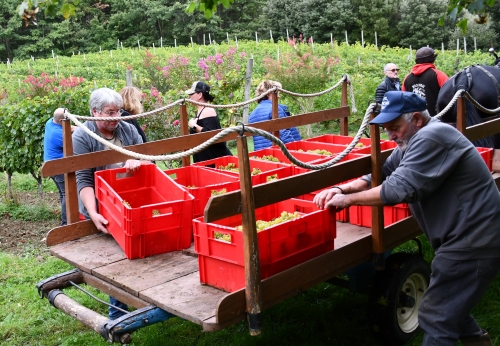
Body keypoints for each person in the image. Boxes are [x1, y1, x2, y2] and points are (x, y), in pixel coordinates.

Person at [313, 91, 500, 345]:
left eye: (395, 127)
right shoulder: (412, 143)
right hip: (466, 238)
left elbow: (397, 189)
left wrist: (347, 201)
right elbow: (380, 175)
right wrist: (341, 189)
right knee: (450, 302)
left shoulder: (433, 137)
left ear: (417, 119)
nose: (391, 135)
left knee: (436, 316)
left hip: (473, 241)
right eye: (387, 128)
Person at [72, 87, 145, 320]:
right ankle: (118, 315)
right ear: (94, 112)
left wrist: (136, 160)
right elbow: (83, 178)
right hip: (103, 206)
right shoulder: (83, 136)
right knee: (117, 259)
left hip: (129, 198)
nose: (116, 118)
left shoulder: (128, 129)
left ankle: (138, 299)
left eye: (118, 112)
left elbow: (145, 156)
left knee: (135, 251)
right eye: (110, 113)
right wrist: (93, 213)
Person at [43, 107, 76, 226]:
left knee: (63, 193)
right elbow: (75, 144)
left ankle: (66, 221)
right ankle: (66, 223)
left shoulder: (50, 122)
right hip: (58, 167)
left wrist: (79, 128)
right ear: (62, 121)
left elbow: (69, 128)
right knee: (67, 193)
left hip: (51, 165)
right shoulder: (58, 135)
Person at [186, 81, 232, 163]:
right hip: (207, 162)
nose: (189, 97)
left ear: (200, 95)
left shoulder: (208, 111)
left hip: (216, 163)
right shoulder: (201, 111)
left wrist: (194, 126)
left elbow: (211, 135)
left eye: (192, 94)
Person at [248, 80, 301, 151]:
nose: (278, 96)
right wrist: (296, 150)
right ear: (268, 93)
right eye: (277, 93)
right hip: (279, 153)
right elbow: (285, 134)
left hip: (262, 155)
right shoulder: (275, 109)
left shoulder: (252, 115)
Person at [402, 47, 448, 116]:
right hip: (436, 120)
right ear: (433, 59)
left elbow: (404, 99)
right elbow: (449, 96)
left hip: (414, 120)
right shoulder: (439, 75)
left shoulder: (407, 78)